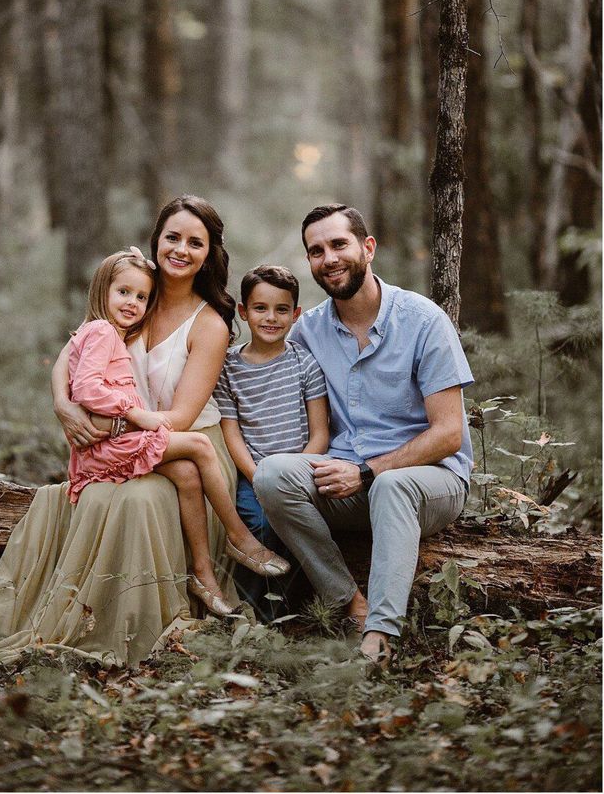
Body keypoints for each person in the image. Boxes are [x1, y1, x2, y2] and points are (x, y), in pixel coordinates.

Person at [0, 196, 265, 666]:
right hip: (132, 441)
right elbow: (70, 353)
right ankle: (85, 612)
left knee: (137, 501)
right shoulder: (135, 297)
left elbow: (177, 419)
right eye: (172, 237)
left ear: (209, 253)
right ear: (156, 239)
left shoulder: (210, 324)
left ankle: (158, 608)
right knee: (84, 497)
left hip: (187, 443)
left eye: (195, 243)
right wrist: (62, 404)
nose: (181, 249)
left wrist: (109, 424)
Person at [253, 204, 474, 666]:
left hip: (427, 481)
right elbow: (259, 376)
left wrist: (367, 471)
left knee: (392, 485)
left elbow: (450, 433)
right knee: (273, 474)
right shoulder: (308, 331)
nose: (328, 258)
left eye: (339, 244)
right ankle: (349, 603)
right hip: (345, 483)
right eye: (316, 251)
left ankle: (380, 634)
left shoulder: (422, 320)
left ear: (367, 248)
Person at [64, 247, 289, 613]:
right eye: (124, 293)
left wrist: (123, 419)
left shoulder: (136, 319)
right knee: (199, 447)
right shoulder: (107, 328)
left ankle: (203, 573)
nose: (133, 301)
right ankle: (238, 536)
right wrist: (78, 405)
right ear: (104, 290)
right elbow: (81, 376)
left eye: (141, 296)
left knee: (187, 472)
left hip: (128, 434)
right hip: (119, 437)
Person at [214, 264, 329, 619]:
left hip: (298, 473)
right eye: (261, 308)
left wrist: (297, 473)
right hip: (252, 473)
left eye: (282, 309)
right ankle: (253, 613)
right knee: (259, 523)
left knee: (301, 523)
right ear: (243, 312)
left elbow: (320, 433)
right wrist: (256, 477)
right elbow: (231, 432)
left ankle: (291, 609)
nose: (271, 318)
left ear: (295, 314)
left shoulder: (304, 363)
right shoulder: (228, 367)